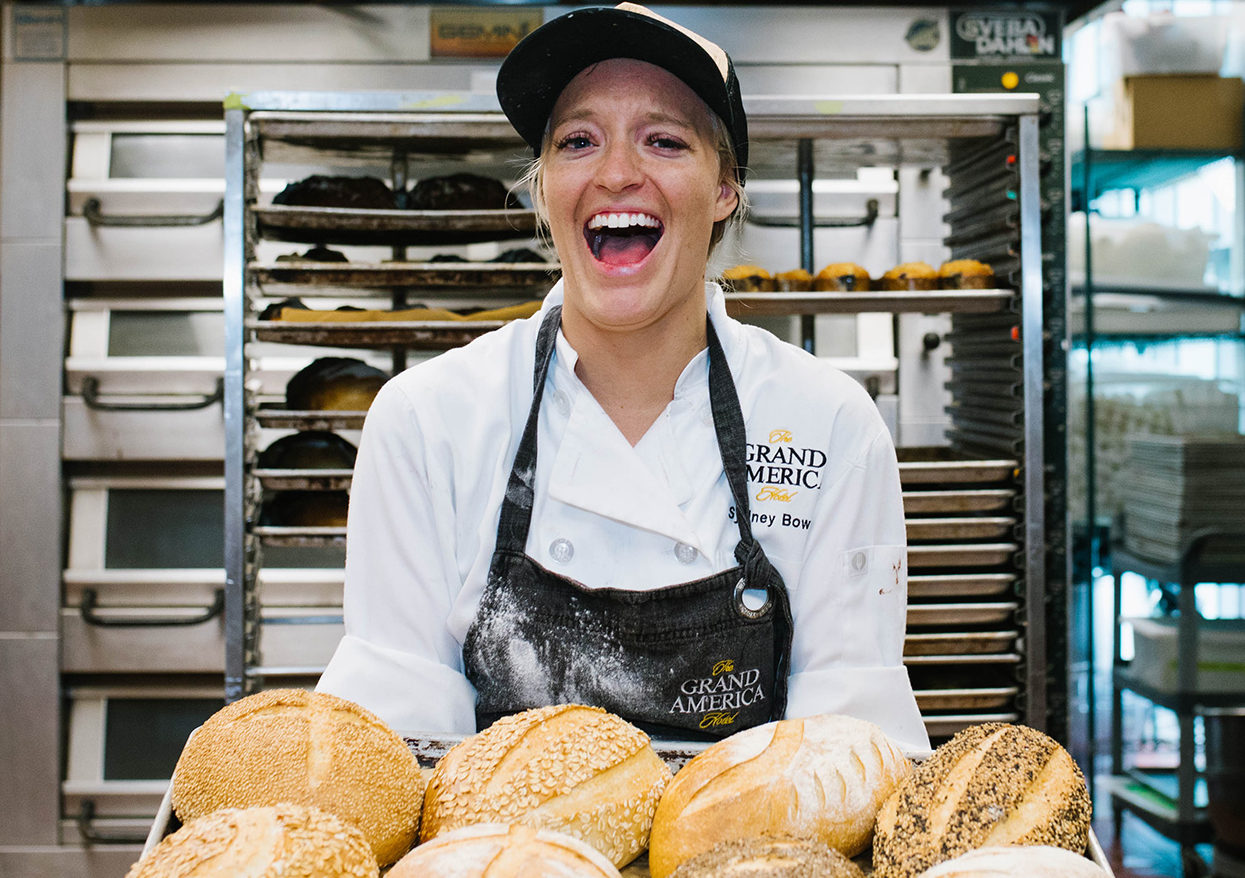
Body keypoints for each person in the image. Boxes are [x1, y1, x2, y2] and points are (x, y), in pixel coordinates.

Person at [317, 2, 930, 753]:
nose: (614, 174)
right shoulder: (429, 418)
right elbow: (395, 743)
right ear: (545, 189)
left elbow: (850, 752)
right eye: (578, 141)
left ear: (725, 190)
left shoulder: (826, 423)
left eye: (663, 141)